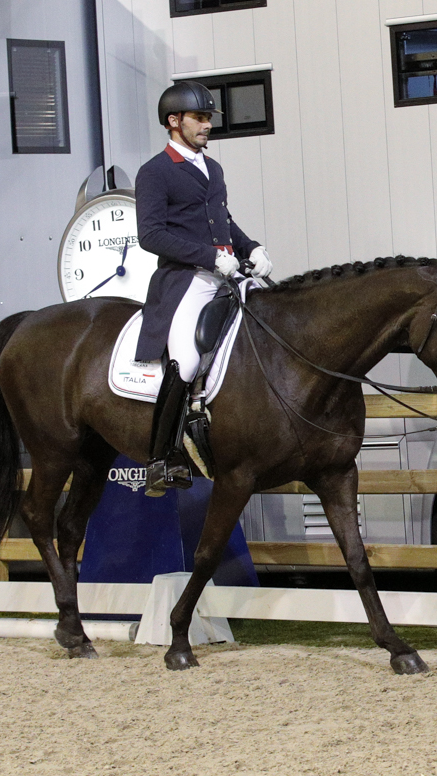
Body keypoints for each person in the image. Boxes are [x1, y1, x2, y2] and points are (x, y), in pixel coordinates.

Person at [134, 81, 273, 496]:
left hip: (227, 272)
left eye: (209, 118)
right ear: (174, 121)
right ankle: (160, 460)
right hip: (185, 279)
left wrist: (252, 247)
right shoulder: (154, 172)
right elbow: (151, 235)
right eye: (200, 118)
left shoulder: (212, 169)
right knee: (187, 359)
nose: (207, 125)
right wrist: (208, 257)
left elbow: (223, 221)